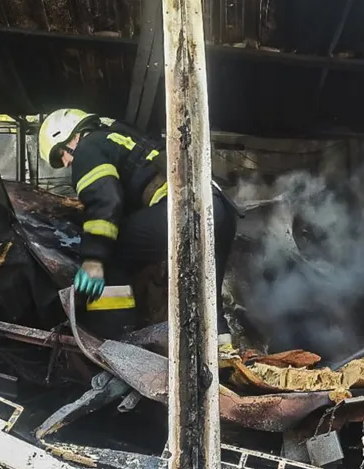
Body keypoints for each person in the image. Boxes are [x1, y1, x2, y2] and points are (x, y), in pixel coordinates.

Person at [38, 109, 238, 353]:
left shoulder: (87, 148)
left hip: (182, 210)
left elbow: (105, 200)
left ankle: (115, 342)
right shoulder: (119, 136)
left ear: (74, 135)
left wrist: (94, 259)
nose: (66, 162)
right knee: (209, 287)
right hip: (219, 209)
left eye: (62, 153)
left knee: (112, 253)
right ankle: (221, 349)